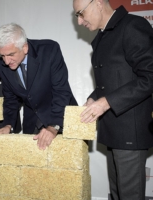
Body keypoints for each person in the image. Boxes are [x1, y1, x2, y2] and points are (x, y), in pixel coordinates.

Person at [73, 0, 153, 199]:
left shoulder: (132, 26)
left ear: (98, 4)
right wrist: (94, 99)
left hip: (130, 134)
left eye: (81, 14)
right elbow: (108, 84)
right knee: (117, 195)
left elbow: (150, 76)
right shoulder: (101, 36)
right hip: (113, 132)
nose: (80, 22)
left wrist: (106, 102)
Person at [0, 23, 77, 150]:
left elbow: (61, 91)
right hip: (32, 122)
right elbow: (10, 100)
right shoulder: (2, 66)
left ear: (25, 47)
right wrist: (8, 125)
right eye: (2, 56)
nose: (6, 61)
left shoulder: (49, 50)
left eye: (11, 54)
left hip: (62, 118)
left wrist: (54, 126)